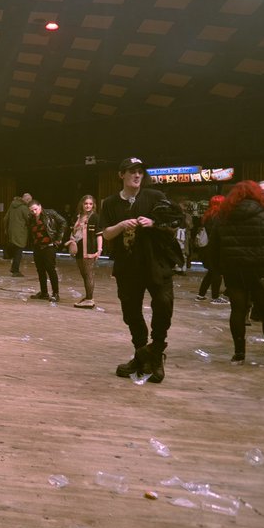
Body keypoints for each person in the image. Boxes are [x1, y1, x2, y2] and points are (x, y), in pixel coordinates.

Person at [99, 156, 183, 383]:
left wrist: (153, 223)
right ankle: (140, 353)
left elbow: (175, 223)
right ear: (121, 175)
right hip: (128, 266)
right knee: (131, 312)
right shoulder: (109, 203)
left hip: (157, 263)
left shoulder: (155, 196)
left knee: (164, 305)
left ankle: (155, 352)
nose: (137, 175)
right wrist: (120, 226)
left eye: (140, 172)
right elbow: (105, 233)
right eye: (132, 171)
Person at [207, 180, 264, 369]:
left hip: (233, 271)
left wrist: (220, 267)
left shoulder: (222, 217)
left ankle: (238, 354)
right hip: (261, 271)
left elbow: (214, 248)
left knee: (238, 311)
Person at [68, 194, 103, 308]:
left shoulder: (95, 217)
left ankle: (89, 299)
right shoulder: (78, 216)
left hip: (89, 250)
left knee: (88, 274)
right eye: (86, 203)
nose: (88, 206)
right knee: (84, 275)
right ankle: (88, 296)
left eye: (90, 204)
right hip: (79, 250)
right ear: (82, 205)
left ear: (93, 205)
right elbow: (74, 232)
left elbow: (99, 235)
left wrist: (99, 249)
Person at [28, 201, 66, 301]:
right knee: (40, 270)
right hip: (37, 246)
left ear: (40, 206)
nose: (34, 212)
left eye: (36, 209)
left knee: (50, 269)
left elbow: (63, 222)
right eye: (32, 211)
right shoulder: (31, 218)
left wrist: (59, 238)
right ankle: (44, 293)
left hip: (49, 246)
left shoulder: (50, 213)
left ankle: (55, 293)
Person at [196, 195, 228, 304]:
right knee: (217, 273)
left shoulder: (208, 215)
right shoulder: (219, 216)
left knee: (211, 272)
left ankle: (201, 295)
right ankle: (215, 297)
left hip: (209, 247)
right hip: (217, 248)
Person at [5, 192, 32, 277]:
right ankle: (15, 270)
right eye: (30, 201)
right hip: (20, 232)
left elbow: (5, 218)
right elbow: (29, 220)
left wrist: (6, 229)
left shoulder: (12, 206)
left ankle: (12, 265)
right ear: (27, 200)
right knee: (18, 251)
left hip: (11, 231)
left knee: (14, 247)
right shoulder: (24, 208)